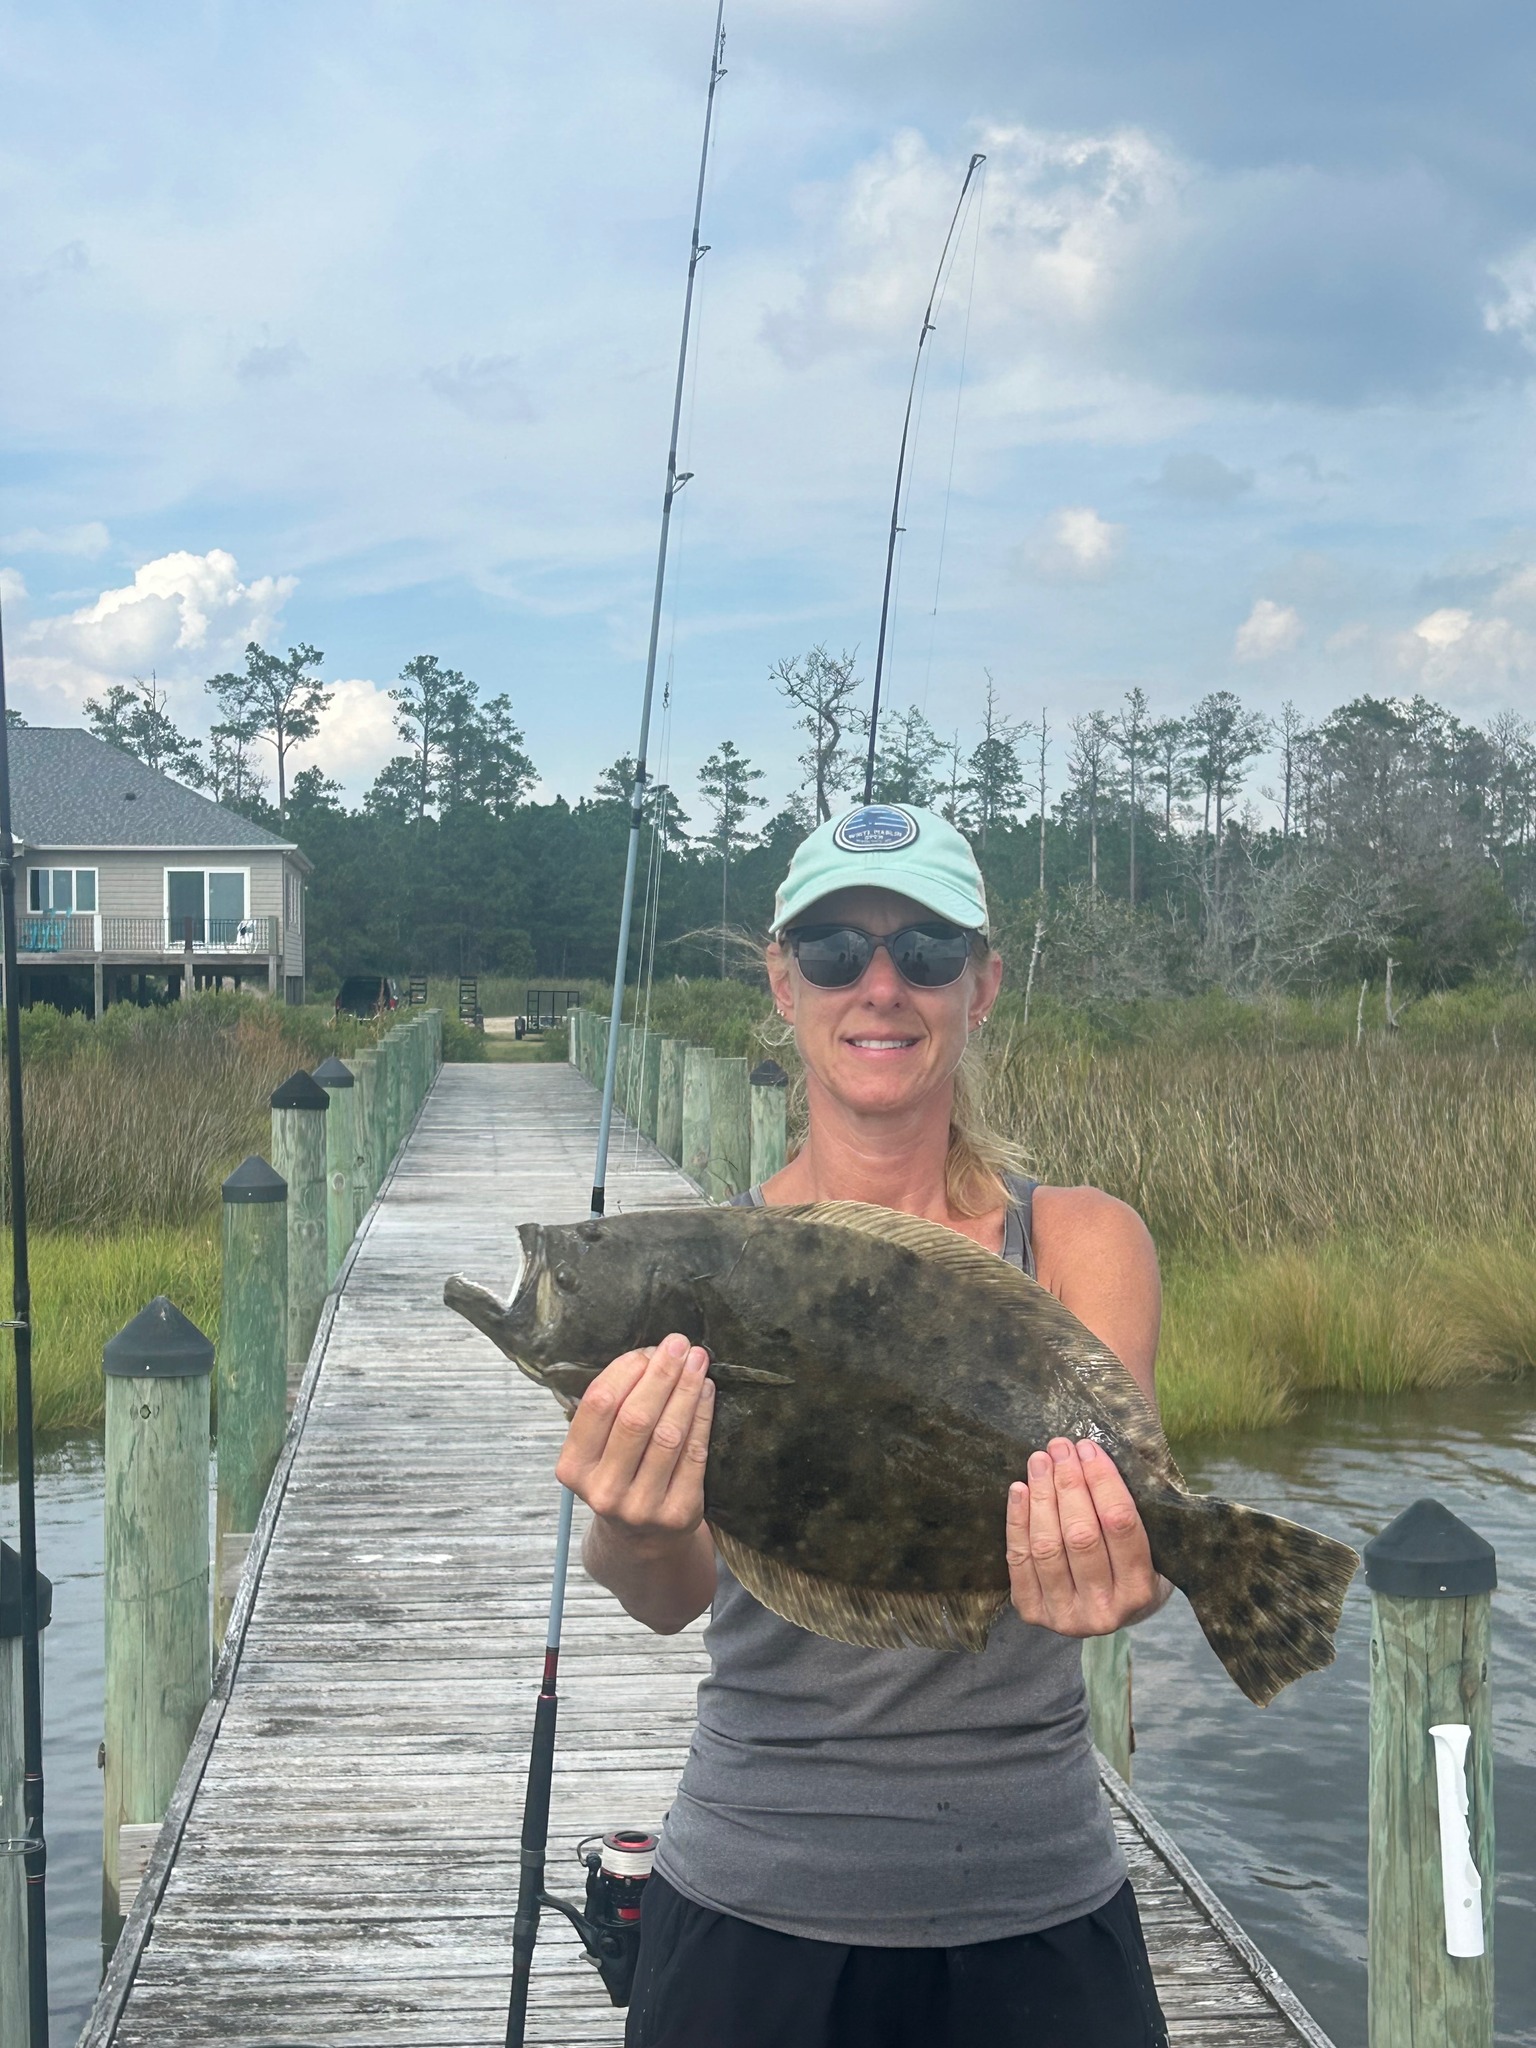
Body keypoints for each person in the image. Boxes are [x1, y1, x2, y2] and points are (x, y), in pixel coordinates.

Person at [555, 802, 1173, 2048]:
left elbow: (1134, 1536)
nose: (879, 984)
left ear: (982, 984)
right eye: (835, 948)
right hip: (752, 1891)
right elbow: (669, 1594)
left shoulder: (1079, 1240)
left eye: (926, 950)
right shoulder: (701, 1266)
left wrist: (1134, 1569)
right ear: (783, 981)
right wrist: (627, 1518)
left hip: (1036, 1894)